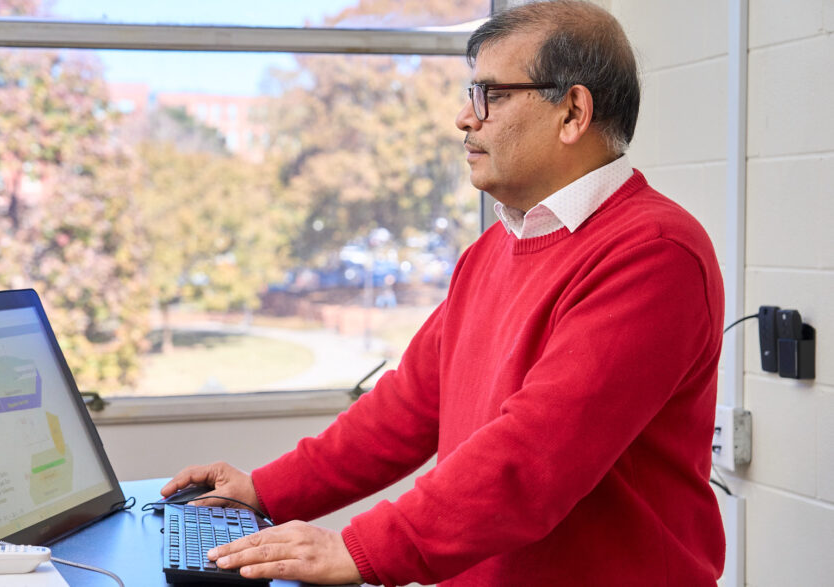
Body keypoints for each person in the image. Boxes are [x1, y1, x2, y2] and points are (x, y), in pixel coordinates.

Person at [161, 1, 726, 584]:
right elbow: (406, 408)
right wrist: (265, 489)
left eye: (490, 95)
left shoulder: (653, 253)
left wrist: (358, 550)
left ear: (572, 112)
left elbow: (532, 459)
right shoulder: (494, 250)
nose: (464, 117)